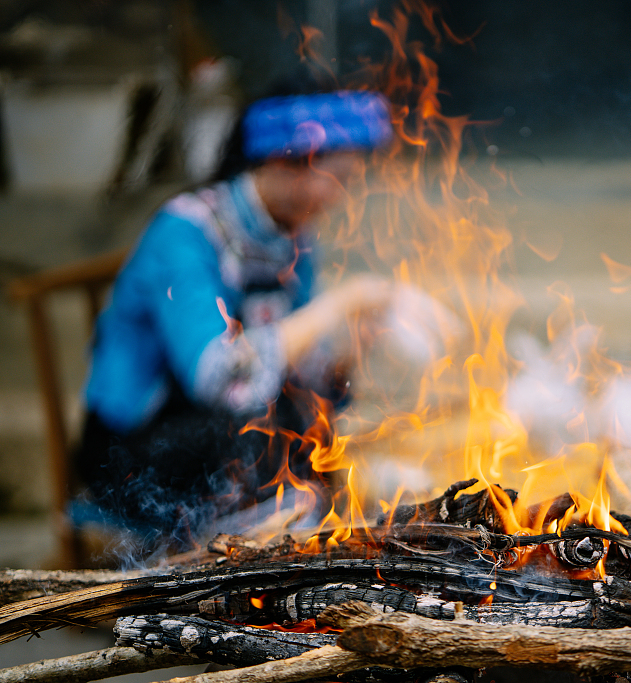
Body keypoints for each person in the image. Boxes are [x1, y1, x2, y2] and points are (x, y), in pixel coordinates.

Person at [76, 86, 397, 550]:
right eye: (340, 177)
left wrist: (353, 350)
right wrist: (339, 304)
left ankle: (306, 555)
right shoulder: (185, 233)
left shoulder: (293, 238)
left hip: (227, 438)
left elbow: (299, 374)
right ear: (287, 162)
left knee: (307, 421)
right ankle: (262, 562)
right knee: (259, 428)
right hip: (137, 451)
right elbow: (221, 376)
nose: (342, 196)